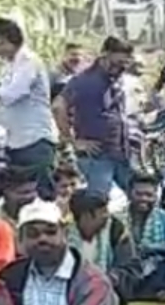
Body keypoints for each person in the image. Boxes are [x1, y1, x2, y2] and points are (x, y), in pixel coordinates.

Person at [52, 35, 135, 198]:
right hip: (97, 156)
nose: (120, 69)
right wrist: (72, 141)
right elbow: (58, 106)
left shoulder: (115, 79)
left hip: (121, 153)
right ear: (104, 56)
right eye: (116, 64)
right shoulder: (84, 81)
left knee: (136, 195)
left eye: (124, 65)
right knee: (97, 202)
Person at [0, 16, 59, 173]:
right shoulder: (9, 65)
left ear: (8, 40)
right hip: (15, 140)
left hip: (34, 139)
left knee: (40, 193)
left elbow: (13, 93)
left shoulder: (28, 61)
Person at [67, 188, 142, 300]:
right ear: (87, 216)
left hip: (109, 293)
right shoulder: (64, 236)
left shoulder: (116, 230)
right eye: (103, 212)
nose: (107, 216)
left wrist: (110, 278)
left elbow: (131, 269)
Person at [123, 173, 165, 301]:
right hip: (128, 271)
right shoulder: (117, 219)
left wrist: (151, 249)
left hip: (155, 269)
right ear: (129, 193)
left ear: (156, 196)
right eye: (139, 194)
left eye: (149, 195)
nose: (144, 199)